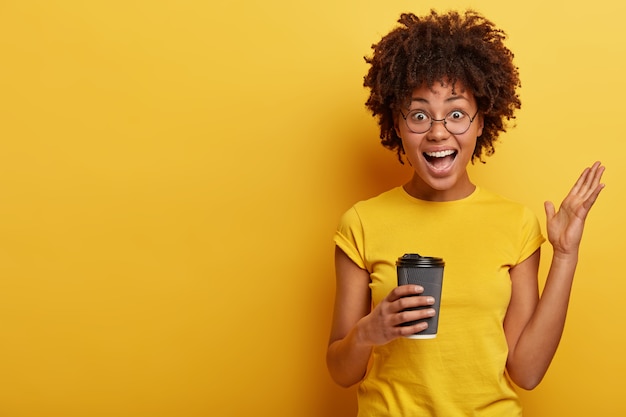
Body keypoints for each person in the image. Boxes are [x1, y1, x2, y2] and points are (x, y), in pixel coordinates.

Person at [326, 9, 605, 416]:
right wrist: (370, 331)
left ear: (480, 122)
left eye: (456, 113)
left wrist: (564, 255)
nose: (438, 131)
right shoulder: (361, 223)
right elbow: (340, 370)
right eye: (419, 115)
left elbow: (525, 371)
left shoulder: (516, 225)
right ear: (397, 123)